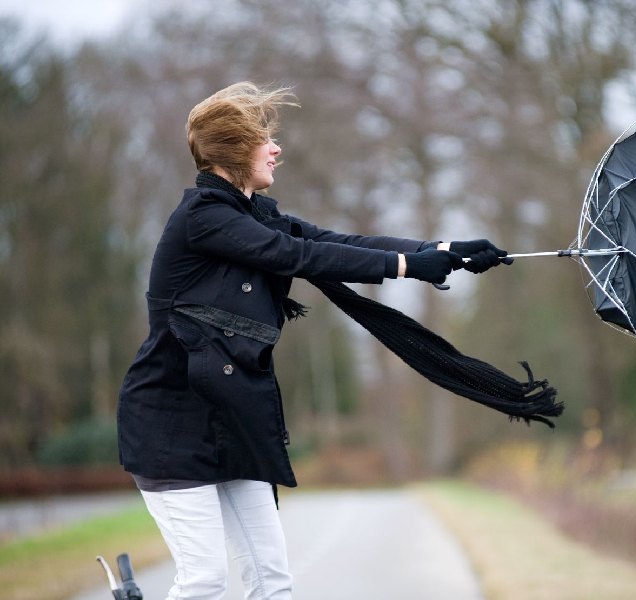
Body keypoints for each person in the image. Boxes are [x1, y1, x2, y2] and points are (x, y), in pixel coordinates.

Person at [117, 81, 511, 600]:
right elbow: (298, 258)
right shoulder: (204, 219)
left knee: (271, 579)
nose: (276, 148)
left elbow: (333, 242)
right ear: (235, 150)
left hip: (233, 419)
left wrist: (442, 250)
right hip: (172, 423)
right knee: (205, 579)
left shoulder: (255, 213)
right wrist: (409, 265)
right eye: (264, 140)